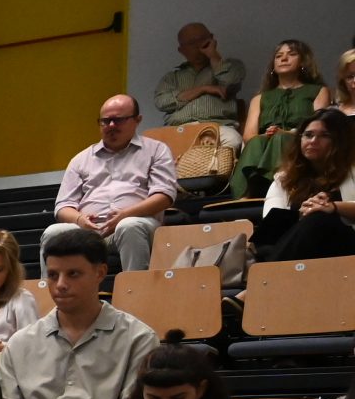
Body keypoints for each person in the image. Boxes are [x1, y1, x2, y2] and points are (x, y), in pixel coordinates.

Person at [0, 227, 159, 399]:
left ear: (100, 273)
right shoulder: (19, 344)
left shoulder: (138, 338)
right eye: (53, 275)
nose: (61, 284)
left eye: (73, 274)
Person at [48, 95, 178, 274]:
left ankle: (137, 294)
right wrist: (80, 220)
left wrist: (125, 215)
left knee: (129, 226)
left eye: (118, 120)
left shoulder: (156, 150)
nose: (111, 126)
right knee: (53, 232)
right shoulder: (80, 159)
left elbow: (164, 196)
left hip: (138, 225)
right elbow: (63, 206)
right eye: (105, 121)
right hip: (88, 232)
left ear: (137, 120)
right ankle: (48, 299)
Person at [231, 38, 328, 199]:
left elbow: (320, 126)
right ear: (273, 65)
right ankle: (245, 194)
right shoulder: (260, 98)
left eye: (291, 54)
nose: (283, 58)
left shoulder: (318, 91)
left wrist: (286, 132)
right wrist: (268, 134)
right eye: (279, 56)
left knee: (280, 139)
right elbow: (249, 136)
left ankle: (273, 188)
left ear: (303, 61)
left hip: (302, 140)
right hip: (263, 144)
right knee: (257, 142)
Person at [255, 108, 355, 262]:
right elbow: (271, 224)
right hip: (302, 248)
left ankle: (270, 279)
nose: (313, 141)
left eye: (324, 135)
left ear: (340, 141)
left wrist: (333, 207)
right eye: (308, 135)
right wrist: (299, 215)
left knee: (319, 217)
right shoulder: (284, 179)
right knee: (265, 245)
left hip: (345, 247)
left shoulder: (352, 170)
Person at [151, 20, 248, 135]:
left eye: (202, 39)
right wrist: (203, 89)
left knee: (229, 140)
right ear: (181, 50)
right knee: (153, 144)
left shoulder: (233, 66)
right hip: (178, 129)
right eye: (191, 43)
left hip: (218, 127)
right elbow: (161, 102)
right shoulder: (172, 77)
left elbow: (230, 80)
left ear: (211, 39)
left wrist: (213, 55)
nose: (198, 46)